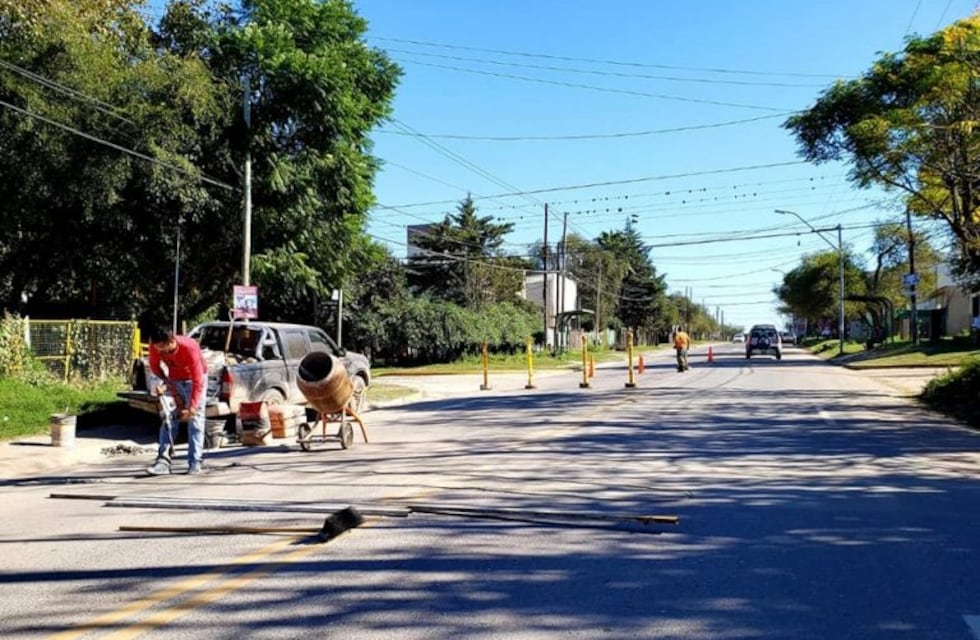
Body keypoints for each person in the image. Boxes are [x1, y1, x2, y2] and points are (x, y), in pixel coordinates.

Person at [145, 327, 208, 475]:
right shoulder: (155, 346)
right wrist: (165, 382)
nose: (159, 351)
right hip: (174, 379)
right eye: (156, 347)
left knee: (195, 420)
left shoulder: (190, 347)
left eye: (162, 347)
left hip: (194, 380)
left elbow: (198, 380)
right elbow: (154, 366)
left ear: (171, 341)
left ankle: (195, 461)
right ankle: (163, 462)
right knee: (169, 418)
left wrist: (192, 407)